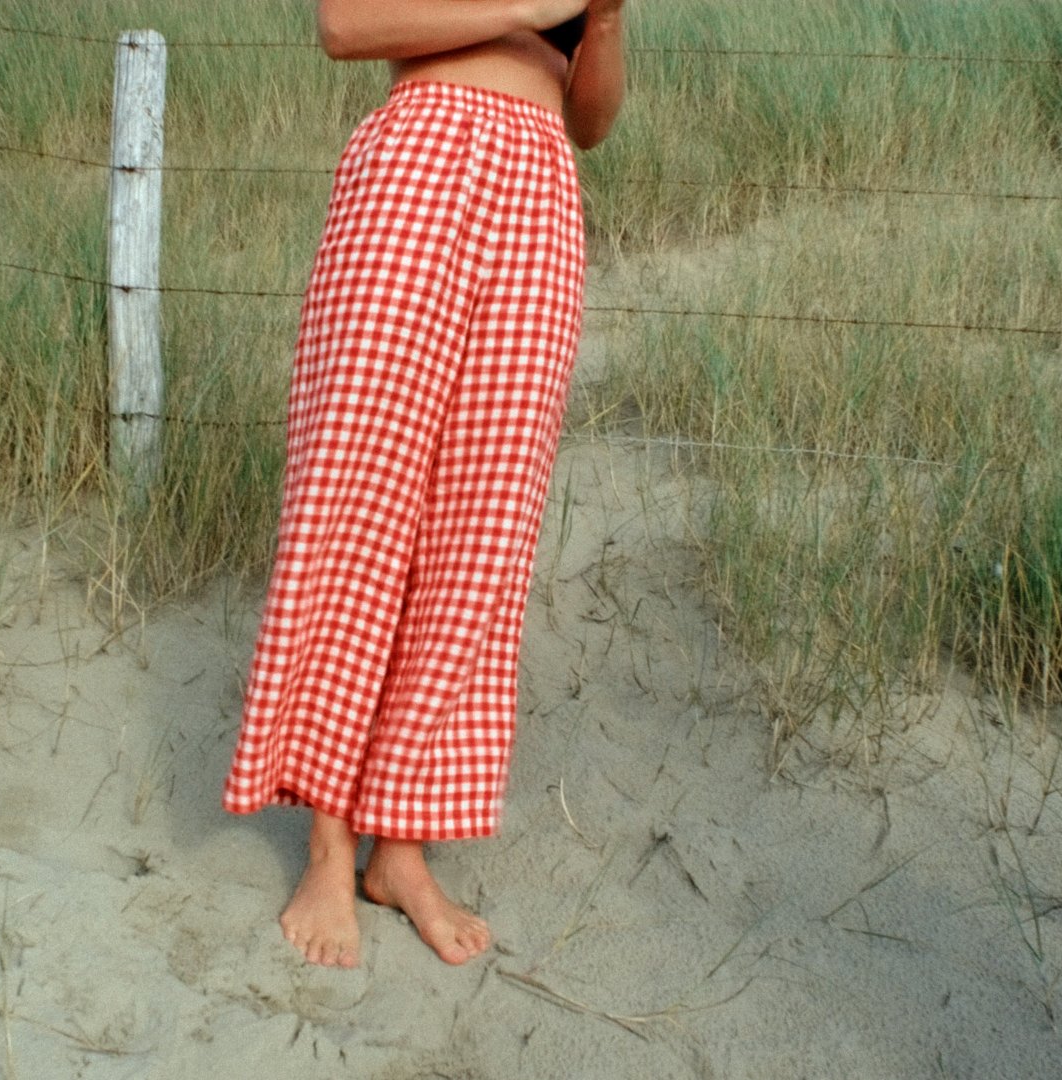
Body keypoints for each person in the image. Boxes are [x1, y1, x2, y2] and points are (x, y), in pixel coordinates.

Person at [222, 0, 628, 969]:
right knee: (356, 498)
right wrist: (542, 6)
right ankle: (328, 845)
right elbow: (345, 24)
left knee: (484, 528)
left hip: (540, 186)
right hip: (421, 162)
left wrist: (604, 20)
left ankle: (396, 846)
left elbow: (593, 120)